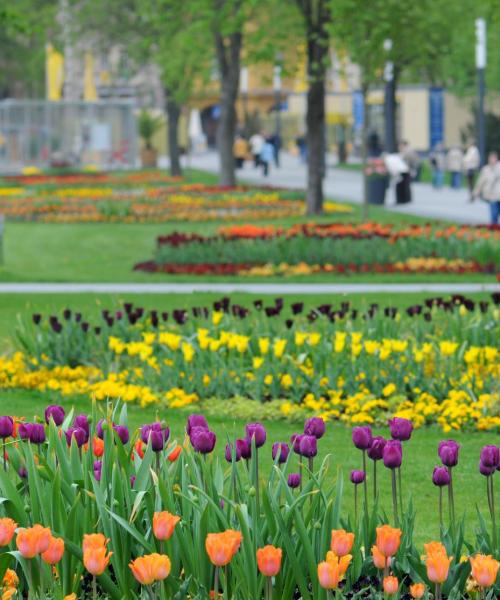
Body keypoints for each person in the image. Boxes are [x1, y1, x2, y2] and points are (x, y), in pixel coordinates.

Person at [473, 151, 500, 224]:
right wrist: (476, 192)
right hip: (492, 195)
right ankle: (494, 228)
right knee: (494, 214)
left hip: (498, 193)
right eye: (490, 158)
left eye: (493, 158)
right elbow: (480, 182)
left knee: (496, 213)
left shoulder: (498, 168)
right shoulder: (486, 169)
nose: (492, 160)